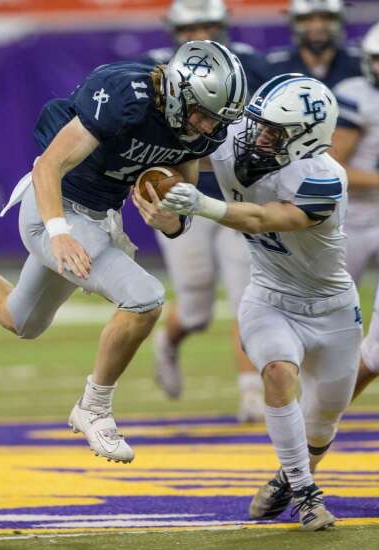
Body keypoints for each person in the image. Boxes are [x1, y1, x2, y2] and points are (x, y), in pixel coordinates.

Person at [0, 41, 248, 463]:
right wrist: (57, 231)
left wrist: (168, 218)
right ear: (177, 90)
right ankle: (93, 408)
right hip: (54, 206)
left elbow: (181, 203)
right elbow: (48, 165)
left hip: (98, 217)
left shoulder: (203, 131)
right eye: (204, 114)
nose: (209, 128)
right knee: (145, 298)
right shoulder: (124, 97)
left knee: (20, 319)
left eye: (217, 120)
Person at [161, 74, 359, 530]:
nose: (260, 135)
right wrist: (150, 185)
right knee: (277, 372)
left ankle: (289, 475)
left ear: (306, 138)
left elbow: (268, 216)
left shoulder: (325, 177)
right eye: (260, 123)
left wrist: (203, 204)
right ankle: (306, 492)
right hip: (269, 296)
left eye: (276, 130)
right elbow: (177, 147)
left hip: (331, 308)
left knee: (324, 419)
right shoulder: (237, 138)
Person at [138, 0, 268, 420]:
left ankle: (251, 391)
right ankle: (170, 341)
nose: (202, 34)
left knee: (248, 294)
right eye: (193, 26)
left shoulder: (250, 64)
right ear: (176, 30)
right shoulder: (156, 69)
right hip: (182, 193)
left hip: (238, 194)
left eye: (210, 24)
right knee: (195, 308)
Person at [331, 21, 379, 400]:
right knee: (330, 326)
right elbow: (334, 168)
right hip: (352, 223)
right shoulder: (353, 95)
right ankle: (317, 412)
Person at [267, 0, 361, 90]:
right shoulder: (274, 68)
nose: (317, 26)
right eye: (307, 19)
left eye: (326, 18)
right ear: (293, 22)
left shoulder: (358, 64)